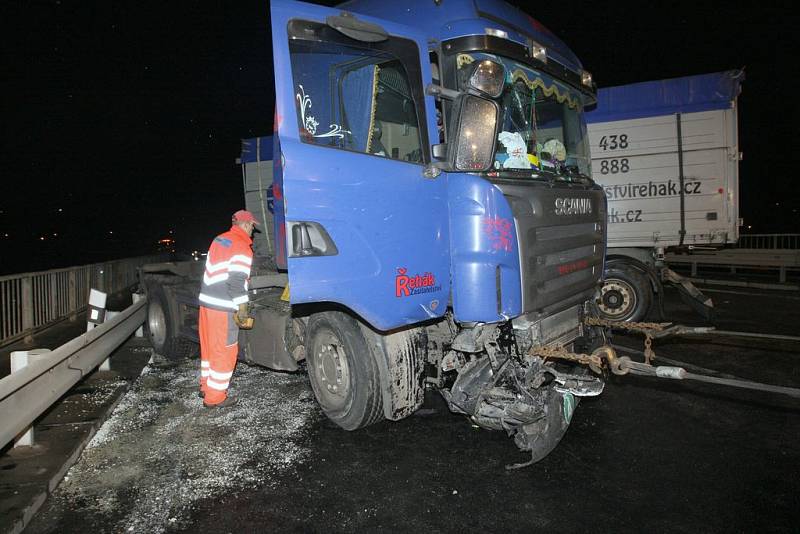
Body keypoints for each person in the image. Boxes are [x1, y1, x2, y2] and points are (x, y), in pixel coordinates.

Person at [197, 209, 258, 408]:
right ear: (246, 225)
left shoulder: (219, 239)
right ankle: (214, 398)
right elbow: (236, 281)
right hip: (223, 308)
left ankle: (206, 386)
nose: (252, 231)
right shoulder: (242, 246)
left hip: (207, 304)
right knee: (225, 351)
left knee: (209, 349)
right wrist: (242, 308)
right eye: (252, 226)